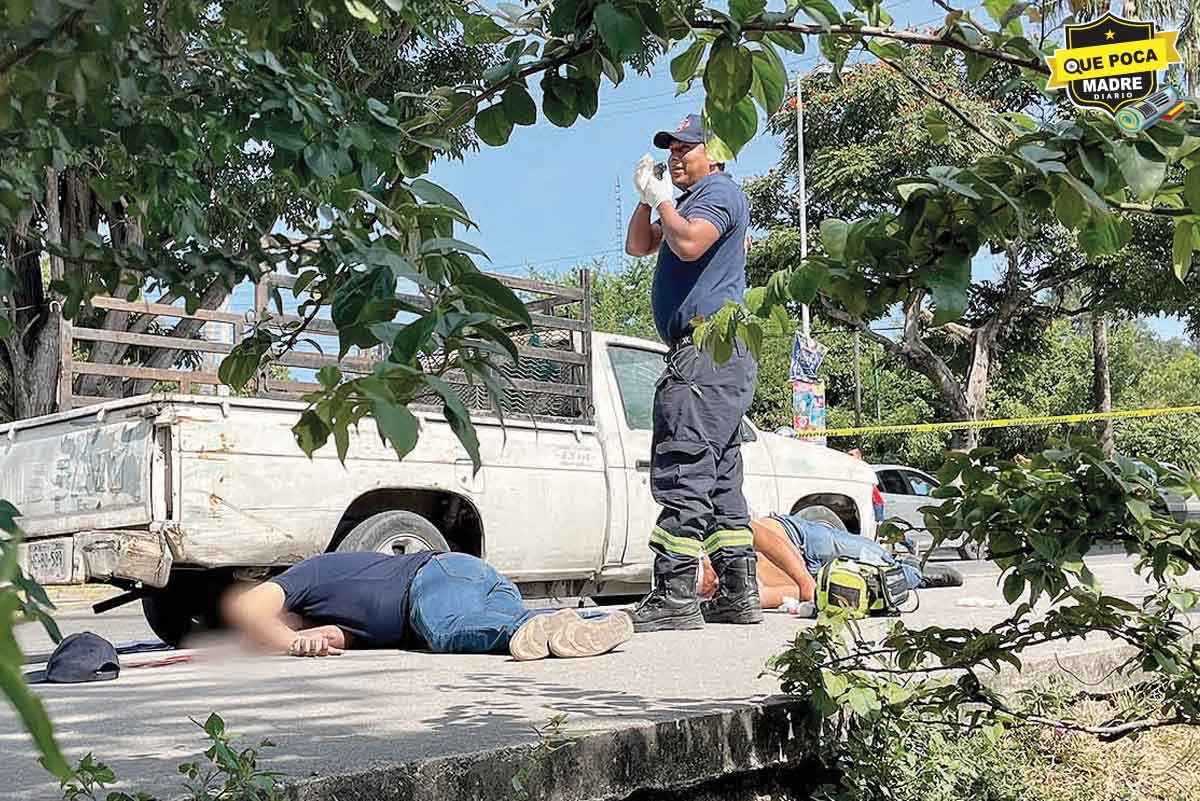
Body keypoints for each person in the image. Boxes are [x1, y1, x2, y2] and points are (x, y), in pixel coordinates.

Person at [623, 113, 759, 632]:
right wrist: (648, 196)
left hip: (705, 352)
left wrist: (661, 198)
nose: (676, 157)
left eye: (687, 149)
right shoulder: (691, 200)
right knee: (720, 474)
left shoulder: (719, 193)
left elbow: (688, 244)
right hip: (717, 354)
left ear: (715, 155)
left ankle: (675, 595)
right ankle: (738, 593)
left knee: (683, 464)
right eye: (671, 150)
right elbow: (640, 245)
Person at [222, 551, 633, 660]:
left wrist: (286, 642)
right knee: (481, 624)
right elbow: (328, 637)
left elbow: (247, 608)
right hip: (479, 586)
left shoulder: (303, 578)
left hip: (435, 578)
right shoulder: (335, 618)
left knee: (447, 630)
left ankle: (554, 624)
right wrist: (302, 640)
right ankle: (594, 622)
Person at [699, 512, 963, 610]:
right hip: (816, 576)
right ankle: (913, 575)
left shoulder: (718, 535)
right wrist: (815, 588)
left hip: (801, 540)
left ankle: (911, 566)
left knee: (876, 555)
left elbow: (767, 539)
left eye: (710, 581)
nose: (715, 587)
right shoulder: (723, 596)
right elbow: (783, 594)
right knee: (880, 581)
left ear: (704, 559)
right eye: (708, 591)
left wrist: (804, 580)